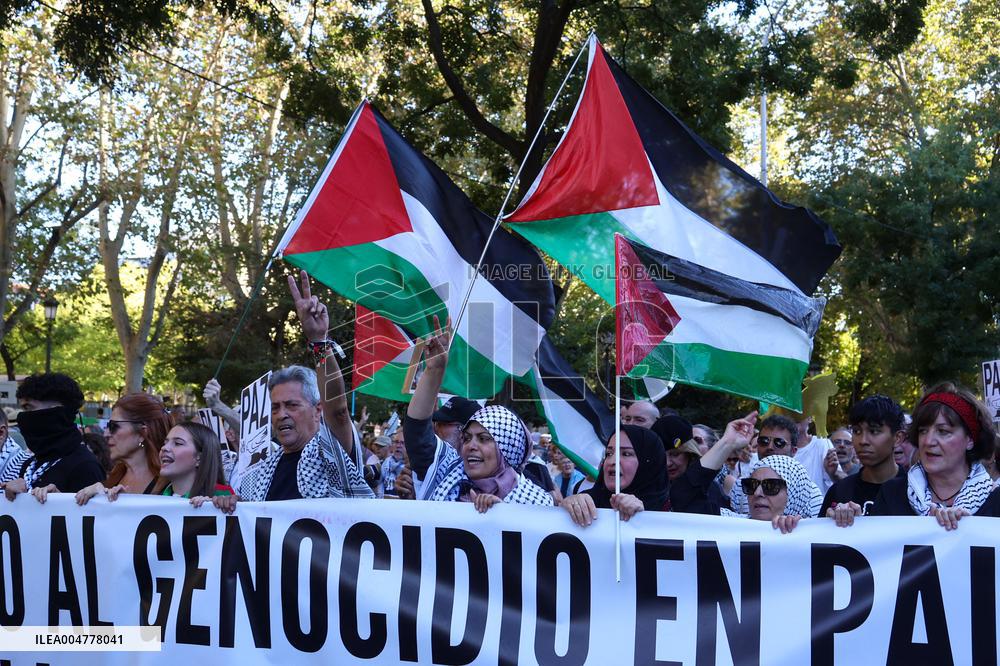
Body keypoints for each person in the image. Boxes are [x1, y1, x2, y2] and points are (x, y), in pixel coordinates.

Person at [237, 272, 374, 502]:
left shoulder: (330, 452)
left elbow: (339, 411)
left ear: (318, 410)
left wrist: (318, 341)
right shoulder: (261, 471)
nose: (281, 415)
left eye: (291, 405)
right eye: (275, 407)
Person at [866, 383, 1000, 529]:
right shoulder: (892, 494)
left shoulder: (995, 499)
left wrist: (969, 531)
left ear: (970, 440)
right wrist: (848, 522)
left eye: (943, 431)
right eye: (923, 431)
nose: (928, 441)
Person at [402, 315, 495, 499]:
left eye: (482, 438)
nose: (435, 428)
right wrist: (434, 370)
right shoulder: (441, 467)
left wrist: (569, 502)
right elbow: (416, 429)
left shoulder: (523, 490)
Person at [428, 405, 554, 512]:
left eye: (483, 439)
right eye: (467, 438)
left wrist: (501, 514)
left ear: (506, 448)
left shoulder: (537, 503)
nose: (470, 446)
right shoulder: (449, 486)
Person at [1, 373, 105, 498]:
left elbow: (93, 515)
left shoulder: (85, 466)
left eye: (29, 407)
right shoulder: (29, 465)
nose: (23, 417)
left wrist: (60, 501)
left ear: (56, 410)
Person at [74, 394, 173, 505]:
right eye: (107, 426)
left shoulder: (172, 485)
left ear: (142, 433)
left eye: (114, 426)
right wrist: (58, 500)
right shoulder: (111, 478)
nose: (106, 434)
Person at [561, 425, 667, 527]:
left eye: (626, 454)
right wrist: (567, 509)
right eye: (609, 454)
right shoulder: (589, 501)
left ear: (648, 462)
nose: (612, 461)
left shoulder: (673, 505)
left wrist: (643, 516)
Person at [822, 396, 905, 520]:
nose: (863, 441)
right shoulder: (839, 492)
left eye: (874, 431)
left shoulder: (917, 492)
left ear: (898, 438)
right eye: (857, 431)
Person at [729, 414, 823, 517]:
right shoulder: (740, 486)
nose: (770, 447)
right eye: (764, 441)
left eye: (779, 442)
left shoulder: (811, 493)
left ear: (793, 451)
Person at [726, 455, 817, 533]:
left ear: (795, 495)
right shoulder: (728, 525)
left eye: (770, 486)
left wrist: (797, 531)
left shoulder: (815, 535)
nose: (757, 493)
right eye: (752, 485)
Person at [159, 422, 235, 510]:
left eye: (178, 443)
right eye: (165, 443)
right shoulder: (153, 500)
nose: (164, 448)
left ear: (200, 458)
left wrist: (211, 509)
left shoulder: (222, 496)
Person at [792, 415, 837, 492]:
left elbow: (841, 480)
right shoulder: (777, 446)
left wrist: (833, 473)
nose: (795, 415)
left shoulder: (821, 443)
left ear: (810, 418)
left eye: (801, 411)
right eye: (789, 412)